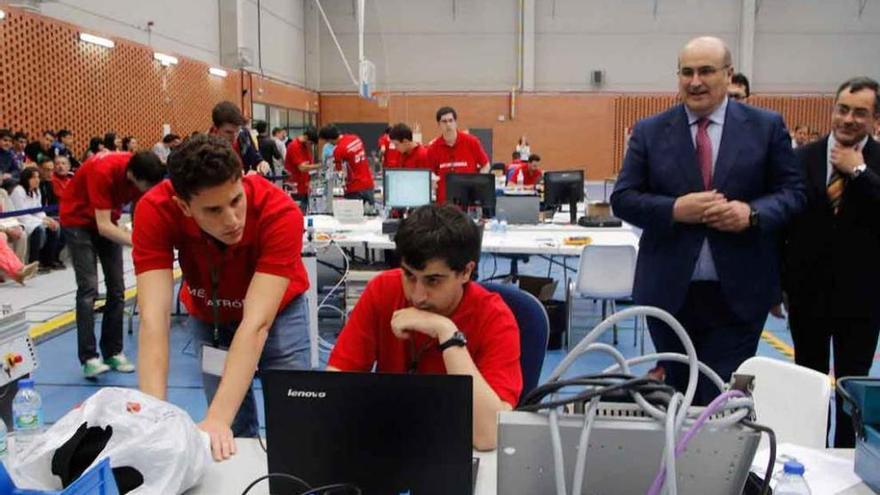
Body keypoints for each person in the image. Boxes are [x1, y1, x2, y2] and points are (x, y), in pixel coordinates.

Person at [610, 36, 806, 405]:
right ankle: (679, 461)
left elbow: (793, 193)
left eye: (706, 71)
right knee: (679, 396)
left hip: (739, 293)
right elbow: (623, 198)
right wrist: (673, 210)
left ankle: (713, 461)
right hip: (669, 294)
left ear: (728, 75)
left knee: (716, 400)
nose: (695, 81)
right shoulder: (651, 131)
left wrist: (752, 214)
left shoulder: (765, 128)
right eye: (687, 72)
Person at [134, 134, 310, 461]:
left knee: (294, 418)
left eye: (235, 201)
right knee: (229, 428)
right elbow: (153, 319)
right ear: (183, 206)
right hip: (210, 316)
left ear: (242, 181)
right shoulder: (154, 211)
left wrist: (215, 419)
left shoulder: (279, 211)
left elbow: (257, 324)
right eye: (213, 210)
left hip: (277, 313)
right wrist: (152, 415)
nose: (231, 220)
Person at [328, 204, 522, 450]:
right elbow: (334, 391)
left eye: (433, 280)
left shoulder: (495, 318)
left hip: (462, 449)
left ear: (466, 272)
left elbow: (487, 436)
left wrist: (447, 333)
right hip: (392, 447)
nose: (417, 296)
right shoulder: (382, 291)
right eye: (409, 275)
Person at [781, 77, 880, 448]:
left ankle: (843, 457)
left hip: (862, 298)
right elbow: (783, 225)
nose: (849, 119)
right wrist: (778, 285)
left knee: (852, 385)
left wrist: (859, 172)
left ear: (874, 119)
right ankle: (806, 451)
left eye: (860, 112)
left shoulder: (877, 163)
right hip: (806, 293)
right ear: (833, 109)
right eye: (843, 109)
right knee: (808, 380)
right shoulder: (800, 158)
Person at [60, 151, 165, 378]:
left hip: (107, 220)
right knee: (89, 289)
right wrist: (140, 244)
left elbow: (143, 209)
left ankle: (113, 351)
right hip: (78, 222)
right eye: (144, 185)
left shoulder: (144, 172)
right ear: (131, 175)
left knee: (117, 288)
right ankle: (89, 357)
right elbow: (104, 227)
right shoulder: (103, 171)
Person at [426, 106, 490, 204]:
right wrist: (432, 181)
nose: (448, 124)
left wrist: (478, 184)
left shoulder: (471, 142)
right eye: (444, 121)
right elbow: (430, 174)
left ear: (456, 122)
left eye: (451, 120)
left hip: (468, 201)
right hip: (444, 204)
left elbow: (485, 165)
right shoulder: (433, 148)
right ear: (439, 124)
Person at [10, 166, 61, 271]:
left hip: (33, 219)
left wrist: (47, 219)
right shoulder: (18, 191)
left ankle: (48, 261)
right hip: (21, 220)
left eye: (38, 177)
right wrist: (42, 221)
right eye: (33, 177)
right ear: (26, 179)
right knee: (39, 229)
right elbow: (21, 214)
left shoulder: (36, 191)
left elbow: (38, 210)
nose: (37, 180)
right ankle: (34, 262)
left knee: (55, 227)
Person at [318, 125, 375, 206]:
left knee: (352, 217)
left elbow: (339, 174)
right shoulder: (356, 138)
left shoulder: (338, 151)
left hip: (354, 189)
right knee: (371, 216)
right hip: (369, 184)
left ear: (329, 140)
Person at [210, 101, 270, 176]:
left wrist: (261, 164)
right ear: (216, 129)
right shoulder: (205, 147)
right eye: (229, 132)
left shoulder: (244, 134)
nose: (234, 137)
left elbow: (254, 156)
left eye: (237, 131)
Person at [284, 127, 321, 212]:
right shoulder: (294, 146)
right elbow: (302, 168)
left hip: (305, 187)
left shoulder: (306, 147)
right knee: (298, 213)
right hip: (295, 188)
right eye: (310, 143)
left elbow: (308, 165)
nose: (311, 146)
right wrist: (319, 166)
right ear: (306, 138)